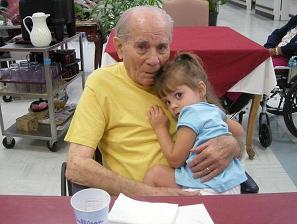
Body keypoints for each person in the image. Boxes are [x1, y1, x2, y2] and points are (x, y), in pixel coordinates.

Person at [65, 6, 243, 197]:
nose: (154, 60)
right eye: (142, 47)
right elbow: (77, 166)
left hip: (201, 192)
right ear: (120, 48)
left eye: (162, 48)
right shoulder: (102, 84)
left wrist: (233, 145)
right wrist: (152, 193)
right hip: (138, 203)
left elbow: (229, 132)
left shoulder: (179, 83)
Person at [143, 52, 247, 194]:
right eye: (167, 102)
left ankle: (142, 212)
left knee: (155, 175)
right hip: (233, 184)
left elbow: (175, 160)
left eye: (178, 95)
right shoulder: (213, 110)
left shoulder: (190, 113)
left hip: (207, 187)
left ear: (201, 90)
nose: (173, 105)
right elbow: (239, 131)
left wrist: (160, 128)